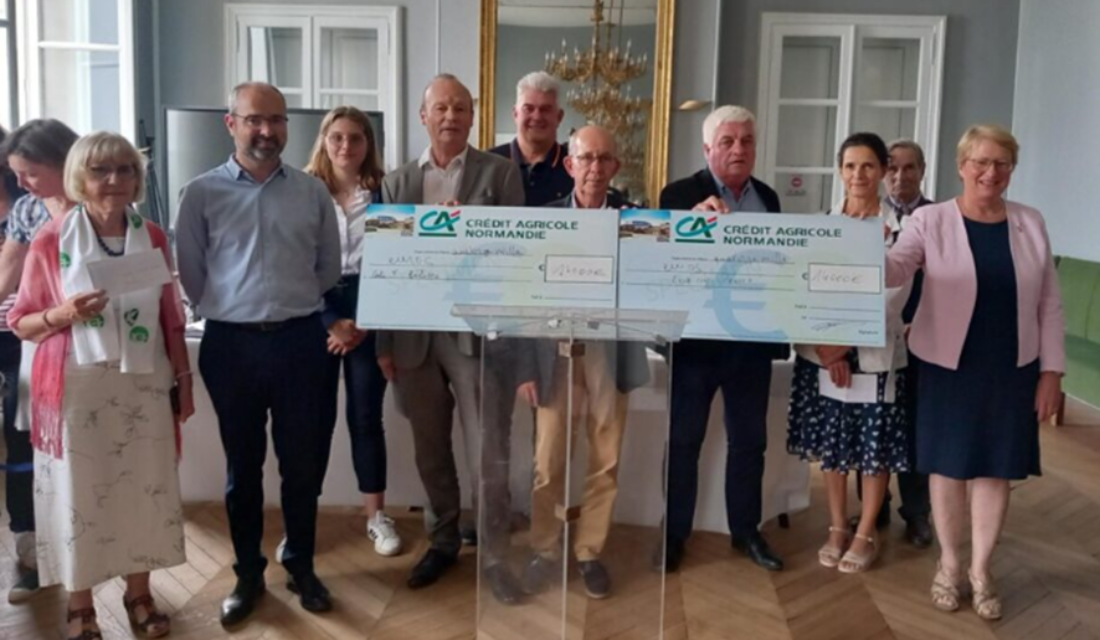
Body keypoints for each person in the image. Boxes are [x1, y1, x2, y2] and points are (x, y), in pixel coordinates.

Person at [8, 131, 194, 640]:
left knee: (145, 489)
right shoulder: (51, 240)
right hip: (76, 387)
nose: (114, 180)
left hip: (143, 384)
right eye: (101, 171)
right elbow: (21, 321)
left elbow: (169, 317)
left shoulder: (152, 236)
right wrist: (63, 313)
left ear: (137, 177)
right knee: (80, 495)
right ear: (79, 178)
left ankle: (139, 593)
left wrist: (184, 379)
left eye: (125, 170)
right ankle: (81, 603)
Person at [176, 82, 341, 625]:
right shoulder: (200, 193)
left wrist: (289, 307)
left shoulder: (312, 193)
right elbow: (192, 274)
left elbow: (328, 268)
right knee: (242, 468)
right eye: (254, 120)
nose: (266, 131)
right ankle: (248, 574)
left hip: (300, 343)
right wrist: (235, 307)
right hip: (232, 347)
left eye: (276, 120)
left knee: (303, 465)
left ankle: (301, 563)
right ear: (232, 123)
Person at [886, 124, 1064, 620]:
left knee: (995, 469)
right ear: (962, 166)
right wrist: (861, 252)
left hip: (1012, 365)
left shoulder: (1031, 222)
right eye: (981, 162)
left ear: (1011, 169)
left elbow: (1050, 302)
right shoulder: (931, 220)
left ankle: (982, 570)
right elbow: (898, 267)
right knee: (948, 466)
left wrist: (1052, 372)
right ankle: (949, 564)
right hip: (947, 363)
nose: (990, 172)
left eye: (1001, 163)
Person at [375, 73, 525, 597]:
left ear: (473, 116)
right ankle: (441, 542)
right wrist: (384, 344)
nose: (451, 116)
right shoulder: (396, 184)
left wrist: (472, 238)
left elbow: (515, 259)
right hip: (414, 338)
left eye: (461, 108)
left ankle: (495, 555)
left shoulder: (500, 174)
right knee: (429, 448)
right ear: (423, 116)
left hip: (477, 336)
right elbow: (385, 269)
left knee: (488, 448)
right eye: (441, 107)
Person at [516, 125, 649, 599]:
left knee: (605, 460)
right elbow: (526, 300)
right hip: (555, 355)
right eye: (585, 159)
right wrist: (525, 369)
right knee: (548, 462)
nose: (595, 168)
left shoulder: (635, 225)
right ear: (569, 165)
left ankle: (589, 552)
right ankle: (544, 549)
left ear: (615, 167)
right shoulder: (544, 221)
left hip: (611, 354)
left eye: (603, 159)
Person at [657, 105, 786, 573]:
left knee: (750, 441)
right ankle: (673, 535)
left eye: (747, 141)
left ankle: (746, 532)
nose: (738, 149)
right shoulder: (678, 193)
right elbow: (662, 260)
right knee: (683, 441)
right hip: (694, 344)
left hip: (750, 342)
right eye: (728, 141)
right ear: (708, 148)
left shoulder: (769, 199)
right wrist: (690, 223)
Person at [787, 132, 913, 574]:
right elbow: (805, 290)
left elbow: (894, 293)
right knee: (833, 444)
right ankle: (838, 526)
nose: (858, 175)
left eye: (868, 166)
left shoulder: (901, 229)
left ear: (882, 171)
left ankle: (866, 532)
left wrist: (850, 342)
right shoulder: (821, 225)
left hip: (874, 352)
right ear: (839, 172)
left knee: (873, 447)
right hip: (826, 354)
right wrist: (828, 348)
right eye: (849, 166)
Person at [298, 105, 403, 558]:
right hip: (316, 311)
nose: (345, 146)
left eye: (355, 138)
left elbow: (396, 262)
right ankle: (302, 522)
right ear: (324, 140)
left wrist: (362, 321)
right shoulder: (301, 192)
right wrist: (329, 320)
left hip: (369, 310)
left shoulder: (385, 191)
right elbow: (294, 261)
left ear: (368, 145)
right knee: (310, 422)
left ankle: (376, 517)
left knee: (365, 418)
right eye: (337, 137)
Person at [0, 118, 80, 603]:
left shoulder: (102, 204)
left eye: (29, 172)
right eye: (17, 174)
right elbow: (8, 270)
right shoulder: (29, 210)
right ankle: (30, 553)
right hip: (35, 340)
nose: (22, 182)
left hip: (90, 349)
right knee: (25, 440)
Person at [851, 139, 935, 547]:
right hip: (875, 339)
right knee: (871, 424)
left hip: (924, 340)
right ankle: (873, 507)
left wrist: (918, 321)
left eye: (910, 168)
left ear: (923, 171)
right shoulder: (866, 218)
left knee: (915, 426)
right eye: (894, 169)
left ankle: (917, 512)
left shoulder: (938, 219)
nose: (901, 176)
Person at [489, 71, 573, 206]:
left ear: (559, 117)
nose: (537, 117)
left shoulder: (576, 166)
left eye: (545, 109)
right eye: (528, 109)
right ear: (515, 114)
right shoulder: (487, 163)